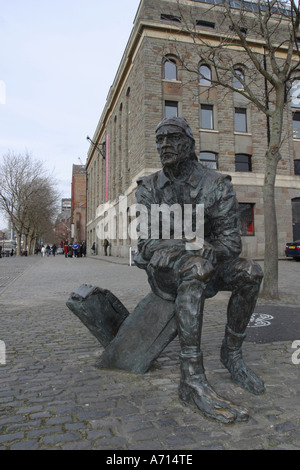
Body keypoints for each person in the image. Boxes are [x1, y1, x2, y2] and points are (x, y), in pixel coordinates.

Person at [133, 117, 264, 423]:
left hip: (211, 263)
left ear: (189, 145)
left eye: (172, 138)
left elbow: (231, 243)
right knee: (195, 266)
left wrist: (209, 249)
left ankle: (231, 354)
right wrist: (191, 244)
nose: (164, 145)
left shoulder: (215, 185)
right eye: (160, 140)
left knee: (250, 273)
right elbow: (146, 243)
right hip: (166, 271)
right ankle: (191, 378)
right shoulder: (149, 188)